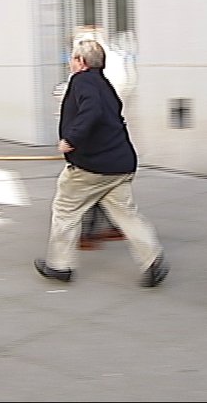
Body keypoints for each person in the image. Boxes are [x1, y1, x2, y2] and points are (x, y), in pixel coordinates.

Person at [35, 39, 169, 287]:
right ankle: (152, 260)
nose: (70, 63)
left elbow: (92, 111)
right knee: (126, 214)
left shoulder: (81, 81)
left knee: (65, 210)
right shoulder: (106, 85)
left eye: (73, 59)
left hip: (90, 167)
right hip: (119, 164)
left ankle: (60, 265)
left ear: (81, 62)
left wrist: (70, 139)